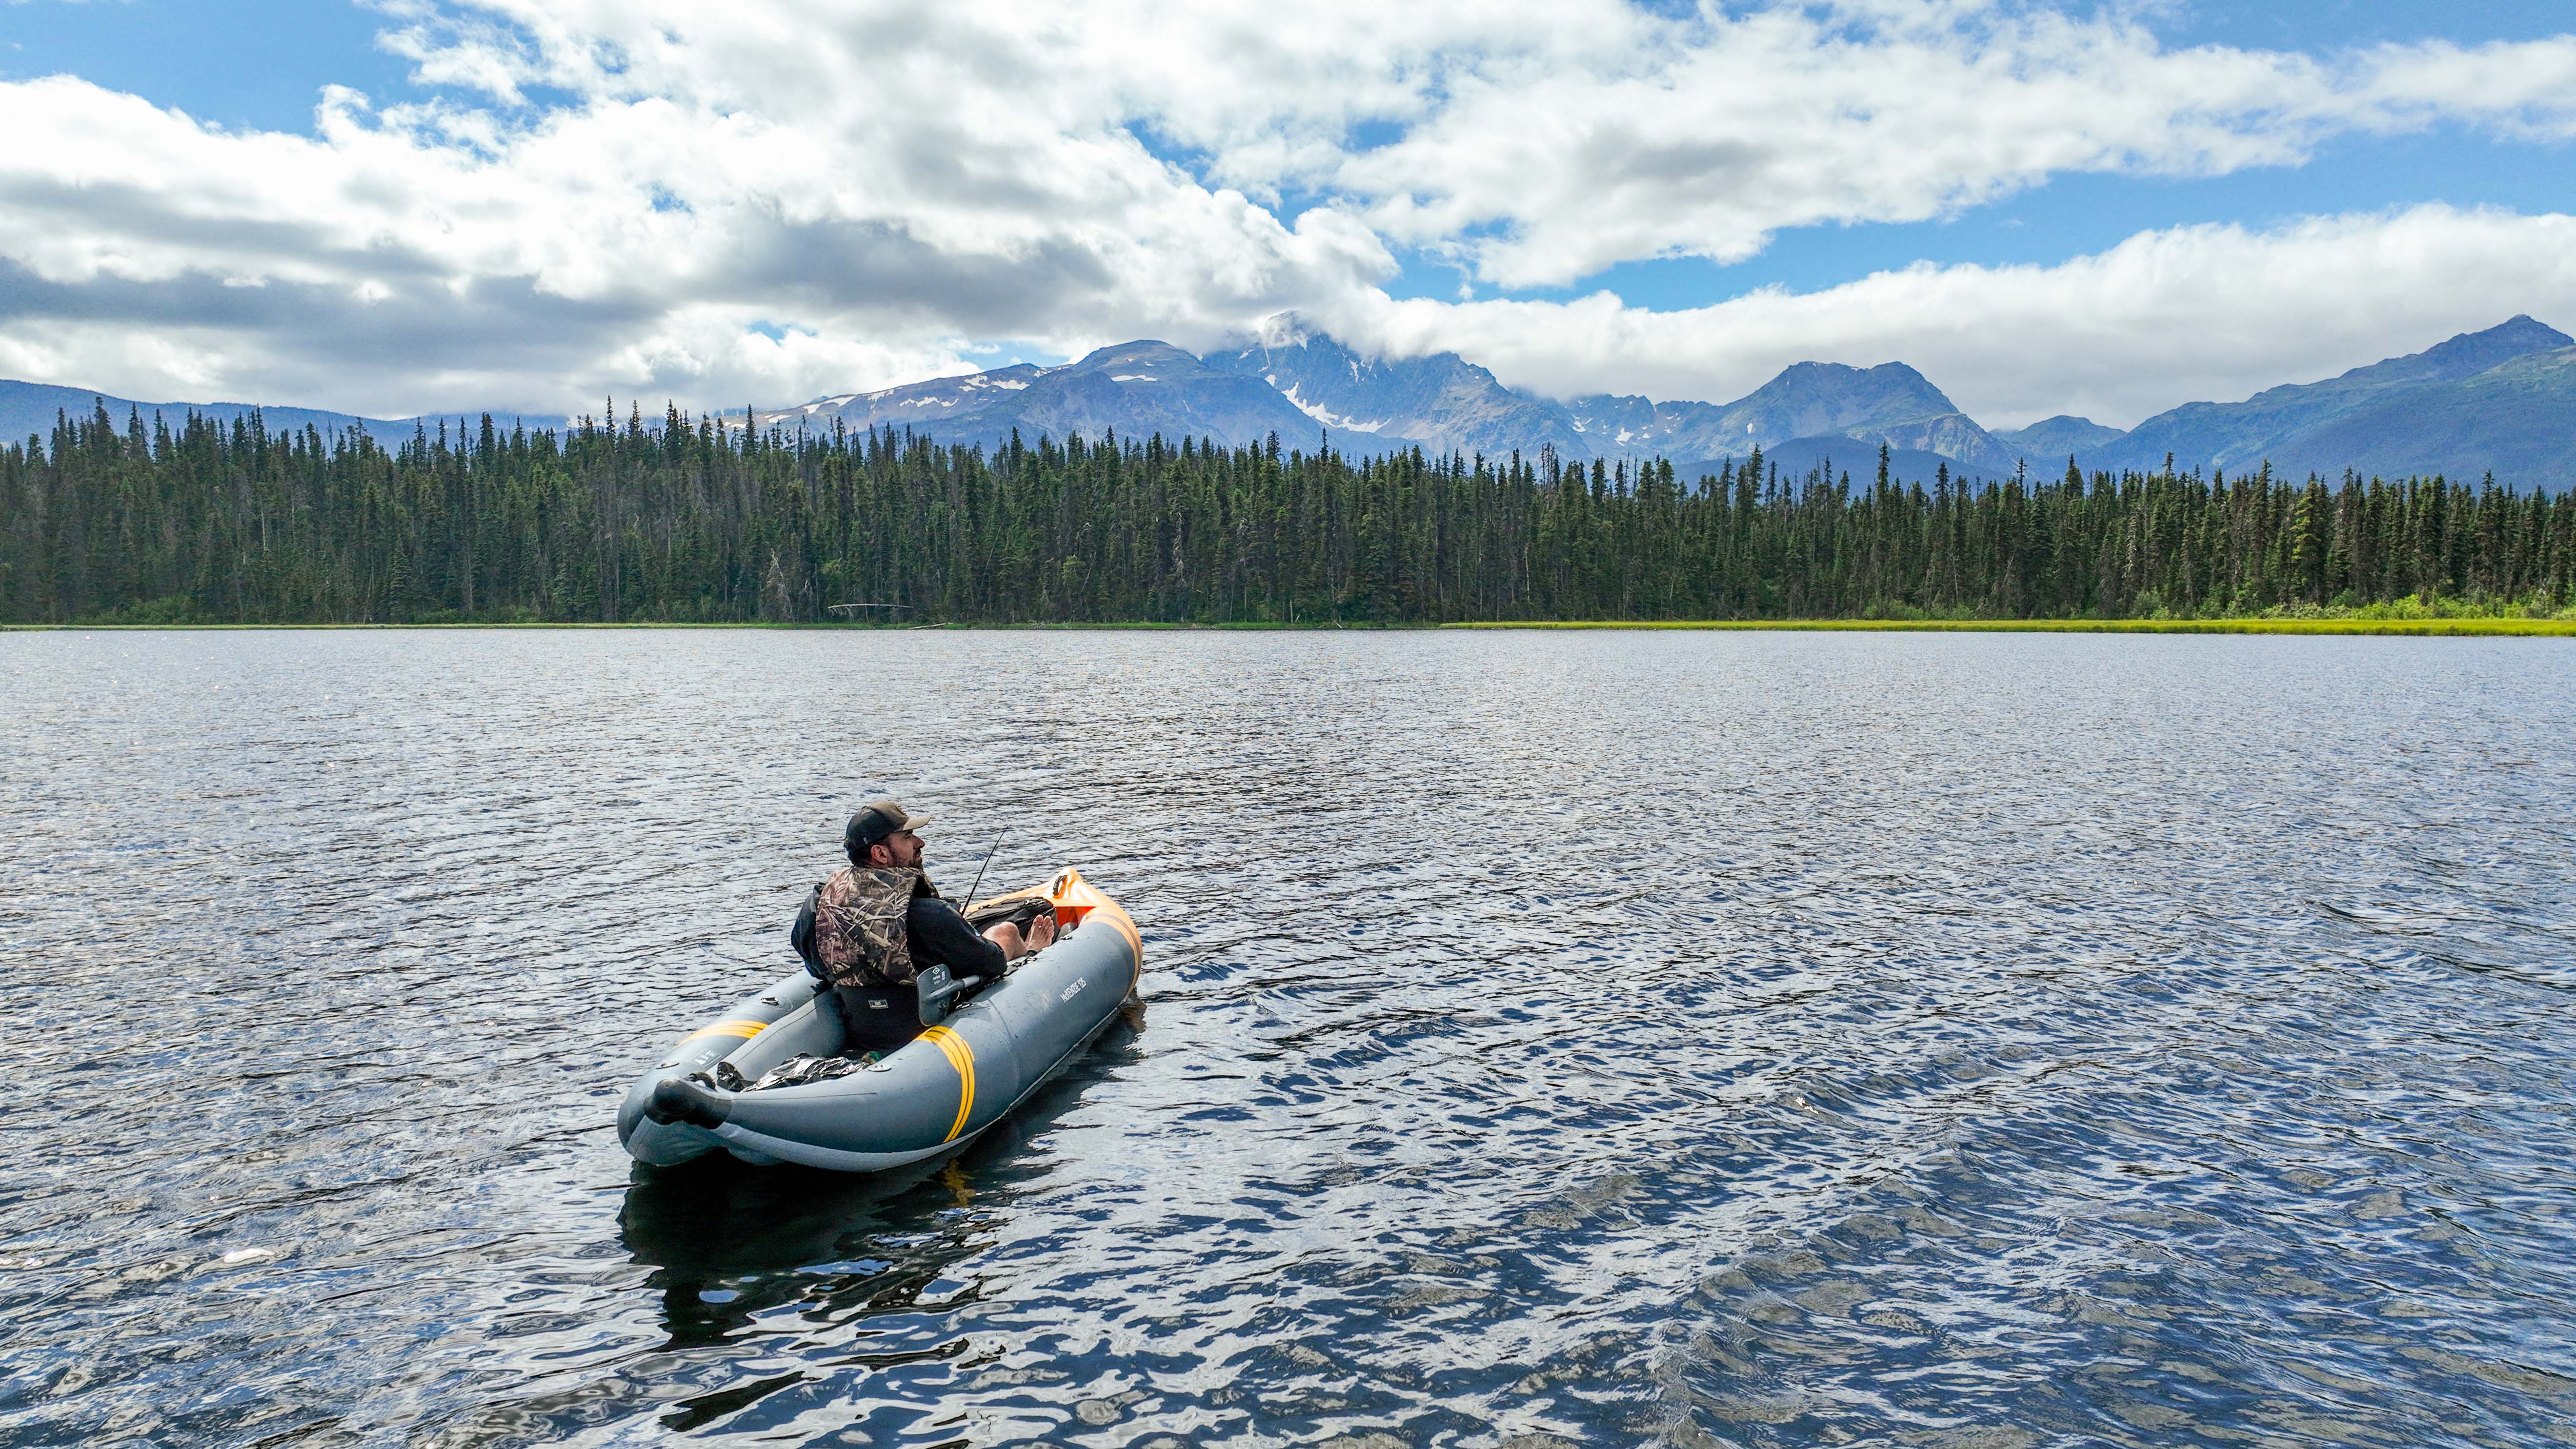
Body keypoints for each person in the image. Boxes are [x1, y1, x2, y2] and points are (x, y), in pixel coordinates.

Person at [790, 799, 1055, 1057]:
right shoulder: (927, 915)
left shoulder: (816, 908)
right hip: (924, 1034)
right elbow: (992, 964)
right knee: (1006, 931)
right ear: (880, 854)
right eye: (907, 838)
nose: (920, 843)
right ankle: (1032, 949)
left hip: (864, 1031)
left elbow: (817, 968)